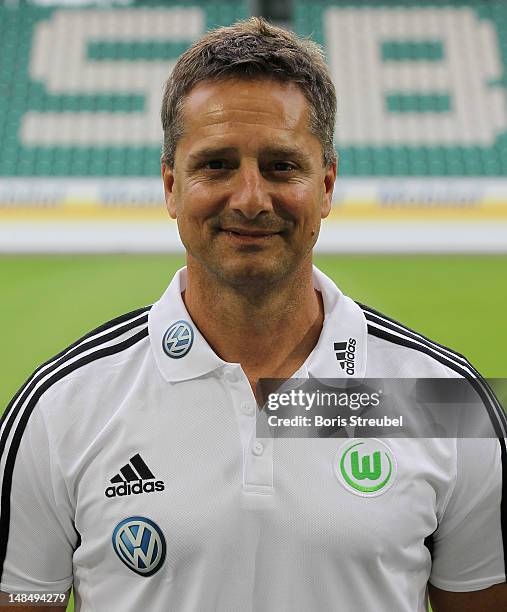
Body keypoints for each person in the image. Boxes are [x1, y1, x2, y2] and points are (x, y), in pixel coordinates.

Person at [0, 17, 505, 612]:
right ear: (170, 185)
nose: (250, 198)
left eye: (281, 166)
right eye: (215, 165)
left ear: (327, 184)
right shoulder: (62, 406)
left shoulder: (441, 400)